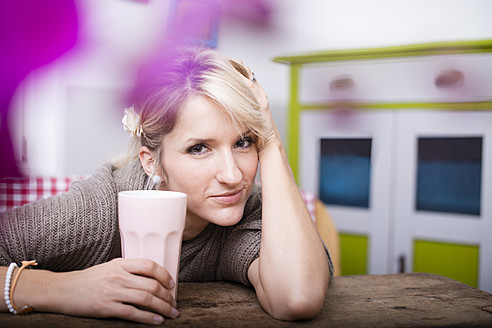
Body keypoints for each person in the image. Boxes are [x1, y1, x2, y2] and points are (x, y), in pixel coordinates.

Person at [0, 46, 332, 324]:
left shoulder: (251, 213)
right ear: (150, 160)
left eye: (244, 142)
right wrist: (61, 289)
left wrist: (270, 139)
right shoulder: (100, 210)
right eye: (199, 148)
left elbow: (297, 297)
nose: (233, 176)